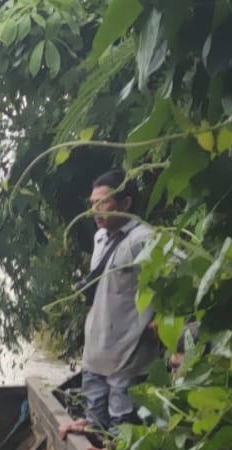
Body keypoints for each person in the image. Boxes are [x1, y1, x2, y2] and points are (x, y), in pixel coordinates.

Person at [73, 169, 156, 434]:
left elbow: (178, 280)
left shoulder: (145, 240)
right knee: (93, 429)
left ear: (126, 204)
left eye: (103, 203)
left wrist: (161, 321)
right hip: (95, 353)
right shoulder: (100, 238)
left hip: (127, 356)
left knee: (121, 432)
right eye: (92, 204)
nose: (95, 210)